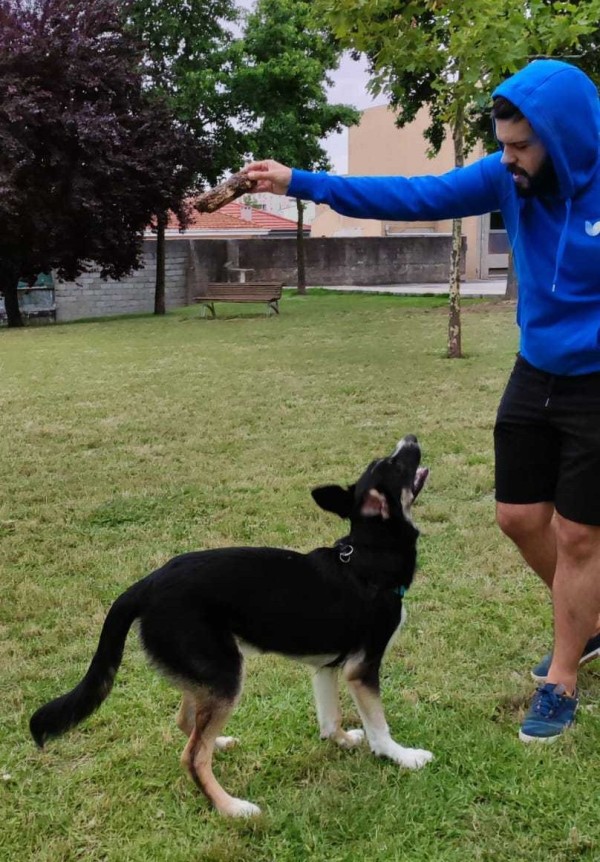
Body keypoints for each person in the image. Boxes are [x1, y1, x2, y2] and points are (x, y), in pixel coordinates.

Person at [245, 59, 600, 744]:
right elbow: (411, 194)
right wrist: (300, 182)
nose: (509, 159)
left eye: (522, 145)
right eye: (502, 145)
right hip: (537, 370)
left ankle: (563, 674)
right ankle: (585, 621)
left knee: (580, 534)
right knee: (519, 516)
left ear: (566, 138)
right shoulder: (507, 178)